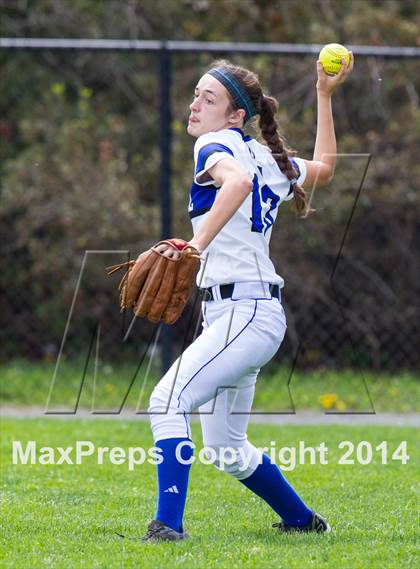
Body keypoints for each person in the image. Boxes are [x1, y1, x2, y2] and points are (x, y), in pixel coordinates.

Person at [143, 53, 354, 541]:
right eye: (196, 94)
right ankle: (303, 521)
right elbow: (324, 168)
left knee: (167, 400)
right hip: (245, 314)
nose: (195, 104)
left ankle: (167, 528)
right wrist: (324, 97)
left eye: (208, 98)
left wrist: (194, 245)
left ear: (236, 116)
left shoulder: (217, 145)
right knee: (226, 448)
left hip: (244, 311)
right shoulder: (268, 158)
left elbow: (235, 183)